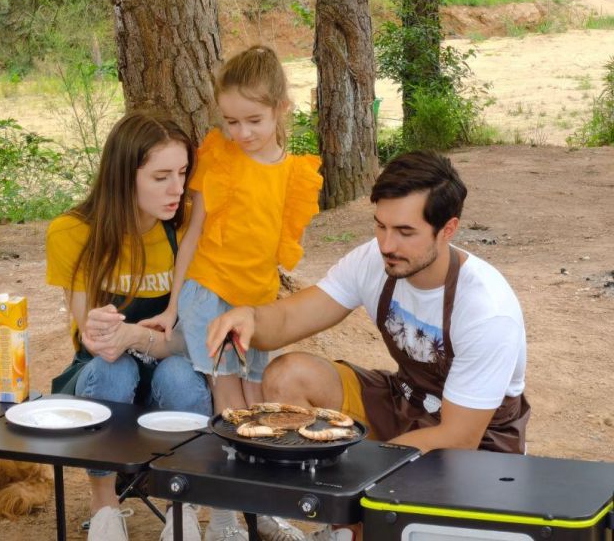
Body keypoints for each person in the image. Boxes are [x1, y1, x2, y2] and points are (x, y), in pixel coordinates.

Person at [205, 150, 530, 541]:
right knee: (289, 375)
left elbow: (458, 436)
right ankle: (343, 528)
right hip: (404, 400)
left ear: (448, 229)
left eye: (405, 232)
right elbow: (290, 318)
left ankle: (358, 523)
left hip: (477, 445)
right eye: (380, 226)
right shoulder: (375, 261)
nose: (386, 244)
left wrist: (360, 471)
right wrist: (251, 318)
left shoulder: (485, 310)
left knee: (393, 512)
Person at [142, 45, 323, 541]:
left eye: (253, 120)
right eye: (230, 121)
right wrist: (175, 305)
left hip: (258, 304)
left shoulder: (294, 172)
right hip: (210, 292)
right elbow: (193, 234)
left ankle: (261, 507)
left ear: (282, 109)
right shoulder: (219, 155)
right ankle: (224, 513)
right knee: (228, 401)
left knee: (261, 402)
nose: (240, 133)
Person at [46, 112, 212, 541]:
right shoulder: (72, 232)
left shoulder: (186, 230)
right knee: (113, 368)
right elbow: (88, 335)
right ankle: (105, 508)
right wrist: (98, 329)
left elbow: (191, 342)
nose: (177, 189)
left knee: (179, 374)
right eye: (161, 177)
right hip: (102, 372)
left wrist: (138, 335)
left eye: (181, 173)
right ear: (124, 176)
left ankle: (183, 506)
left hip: (171, 363)